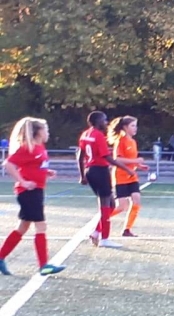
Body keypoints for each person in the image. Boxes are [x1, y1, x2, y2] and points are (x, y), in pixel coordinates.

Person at [0, 118, 65, 276]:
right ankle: (44, 266)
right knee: (41, 226)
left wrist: (46, 172)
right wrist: (23, 181)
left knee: (22, 227)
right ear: (38, 132)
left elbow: (34, 165)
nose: (48, 132)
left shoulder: (40, 147)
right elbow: (8, 164)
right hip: (28, 193)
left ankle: (0, 257)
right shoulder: (27, 148)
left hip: (37, 191)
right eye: (45, 129)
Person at [78, 111, 136, 248]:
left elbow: (80, 155)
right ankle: (104, 238)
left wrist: (82, 175)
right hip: (100, 171)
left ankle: (96, 232)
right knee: (105, 204)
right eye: (104, 120)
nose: (106, 122)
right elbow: (108, 158)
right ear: (97, 121)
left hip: (90, 171)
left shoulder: (85, 134)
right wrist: (127, 169)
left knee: (111, 205)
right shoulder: (98, 135)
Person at [108, 116, 149, 237]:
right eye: (133, 125)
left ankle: (127, 229)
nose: (135, 128)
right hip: (120, 176)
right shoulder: (120, 141)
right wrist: (136, 160)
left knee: (136, 199)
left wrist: (139, 165)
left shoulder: (133, 141)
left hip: (132, 176)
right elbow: (117, 159)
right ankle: (102, 220)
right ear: (125, 127)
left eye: (136, 125)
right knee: (122, 206)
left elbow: (130, 159)